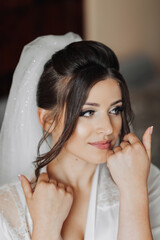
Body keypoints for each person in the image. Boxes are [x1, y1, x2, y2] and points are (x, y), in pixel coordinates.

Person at [0, 32, 160, 240]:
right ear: (48, 120)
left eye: (115, 110)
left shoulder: (145, 179)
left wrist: (133, 191)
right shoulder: (8, 209)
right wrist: (46, 228)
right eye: (88, 112)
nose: (108, 129)